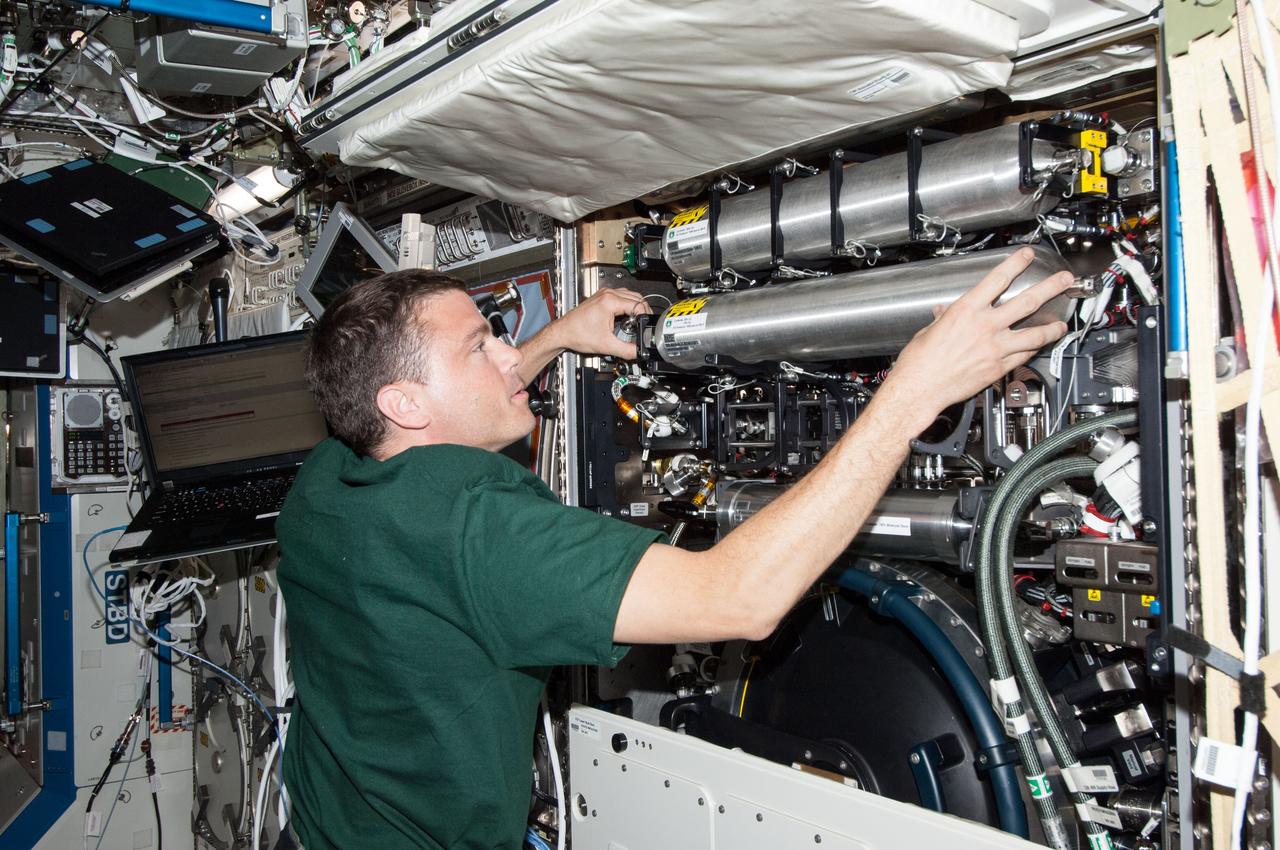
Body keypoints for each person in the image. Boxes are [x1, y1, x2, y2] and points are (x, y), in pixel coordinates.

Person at [275, 247, 1072, 849]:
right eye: (479, 348)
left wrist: (560, 338)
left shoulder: (329, 475)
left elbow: (443, 422)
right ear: (403, 402)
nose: (509, 354)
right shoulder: (476, 530)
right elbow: (739, 599)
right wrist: (914, 392)